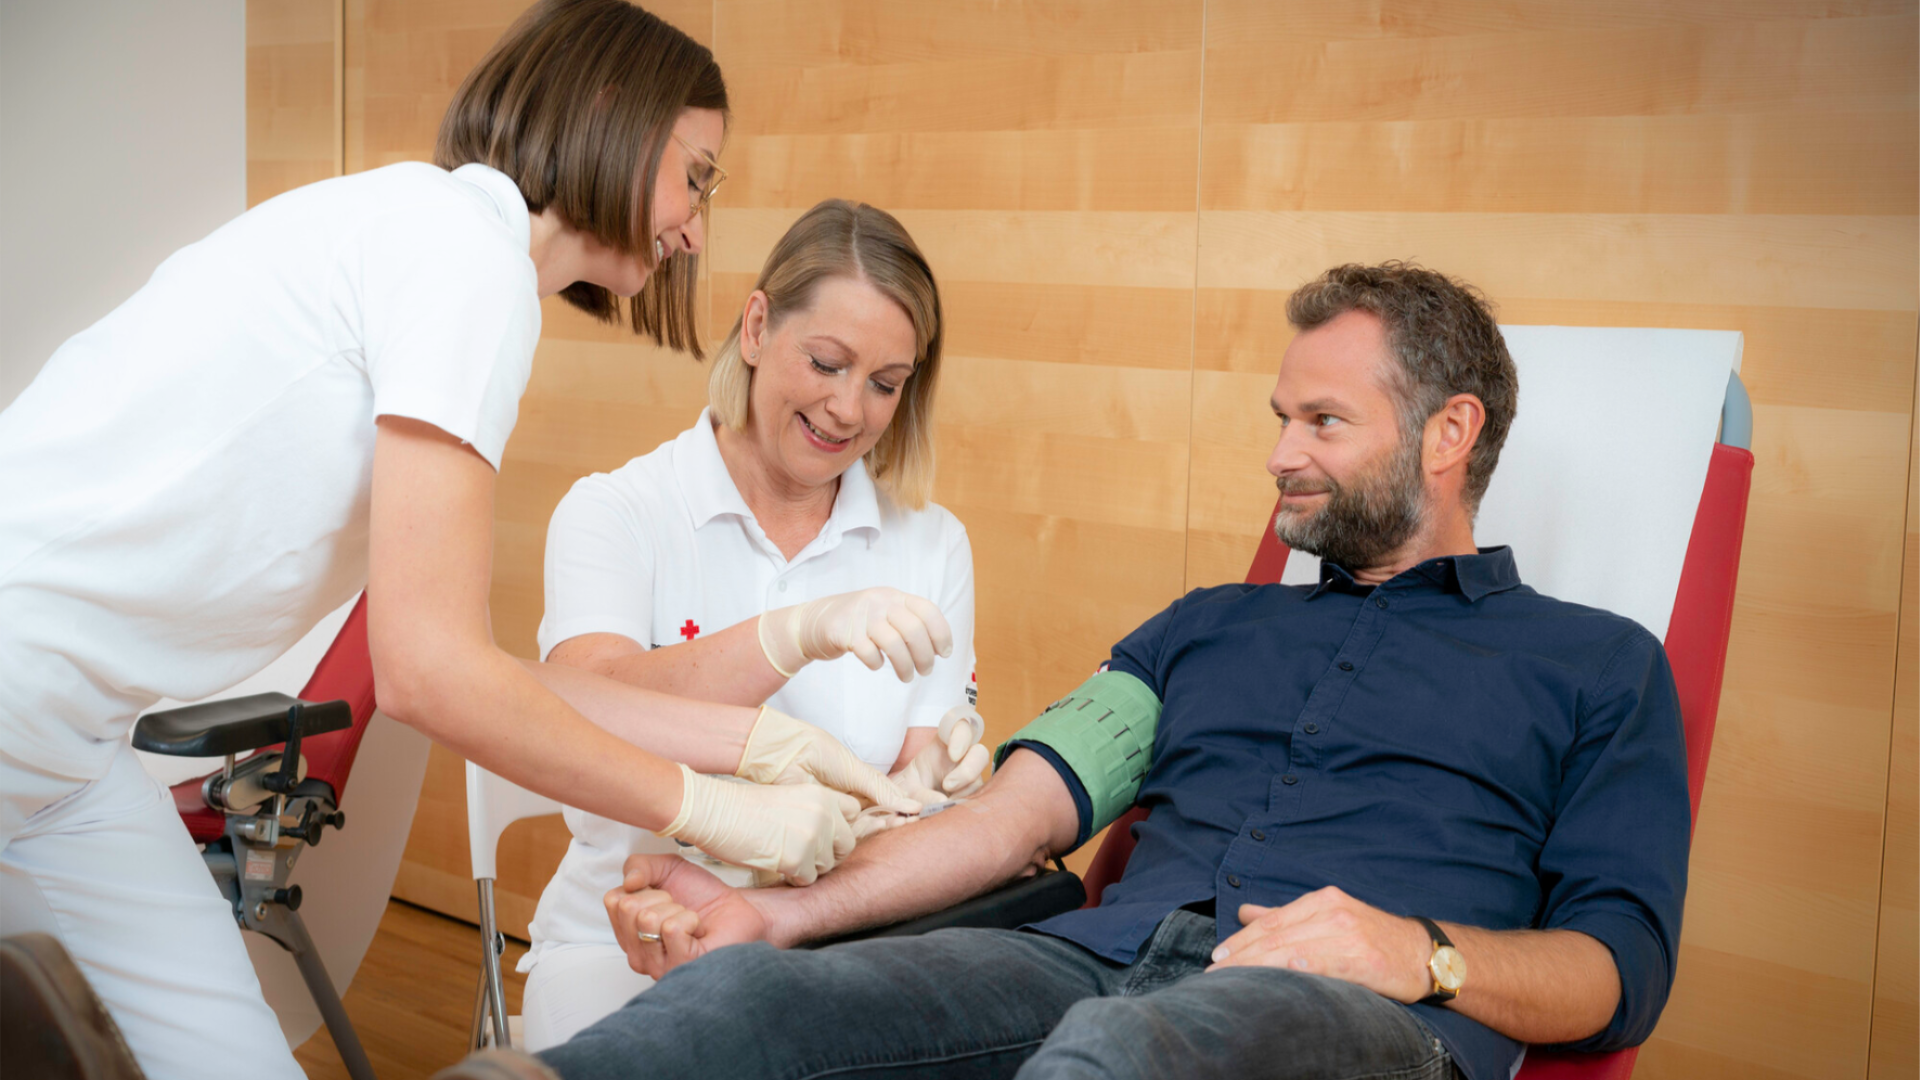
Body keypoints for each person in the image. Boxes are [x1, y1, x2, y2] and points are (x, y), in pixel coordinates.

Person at [441, 262, 1693, 1080]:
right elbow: (1007, 821)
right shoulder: (1204, 627)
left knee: (1113, 1064)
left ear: (1450, 434)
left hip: (1349, 1019)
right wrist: (778, 916)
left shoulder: (1598, 668)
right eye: (1277, 419)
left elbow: (1620, 971)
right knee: (750, 1011)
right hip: (1095, 958)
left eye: (1321, 424)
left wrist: (1423, 957)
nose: (1278, 458)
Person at [0, 4, 924, 1078]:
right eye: (697, 177)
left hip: (68, 744)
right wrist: (716, 808)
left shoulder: (440, 244)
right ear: (616, 118)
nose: (694, 230)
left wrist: (759, 748)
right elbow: (430, 675)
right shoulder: (461, 259)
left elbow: (482, 672)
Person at [517, 199, 988, 1050]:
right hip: (629, 934)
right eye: (828, 363)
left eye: (885, 384)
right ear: (758, 325)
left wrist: (938, 790)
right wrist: (797, 630)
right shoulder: (618, 512)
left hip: (834, 938)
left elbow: (917, 791)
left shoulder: (931, 545)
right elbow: (583, 704)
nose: (849, 410)